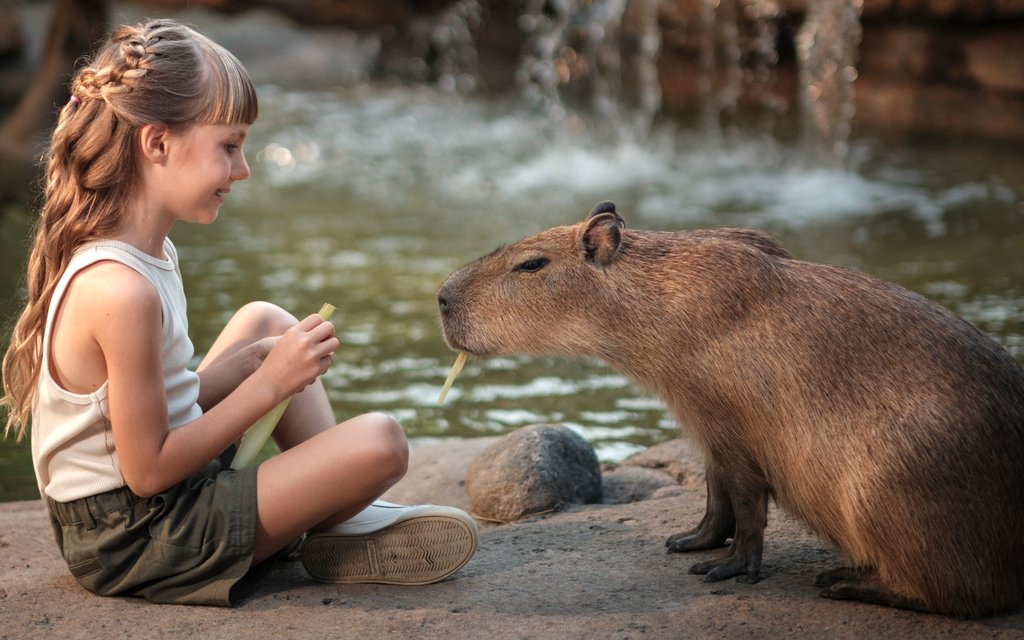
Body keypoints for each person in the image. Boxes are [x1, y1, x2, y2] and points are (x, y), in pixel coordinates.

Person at [0, 18, 477, 607]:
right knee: (382, 442)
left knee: (264, 323)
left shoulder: (146, 254)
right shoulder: (120, 291)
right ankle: (332, 512)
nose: (243, 169)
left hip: (153, 503)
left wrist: (246, 368)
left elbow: (156, 408)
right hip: (136, 537)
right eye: (229, 146)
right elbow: (147, 470)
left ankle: (330, 512)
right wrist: (269, 385)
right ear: (156, 143)